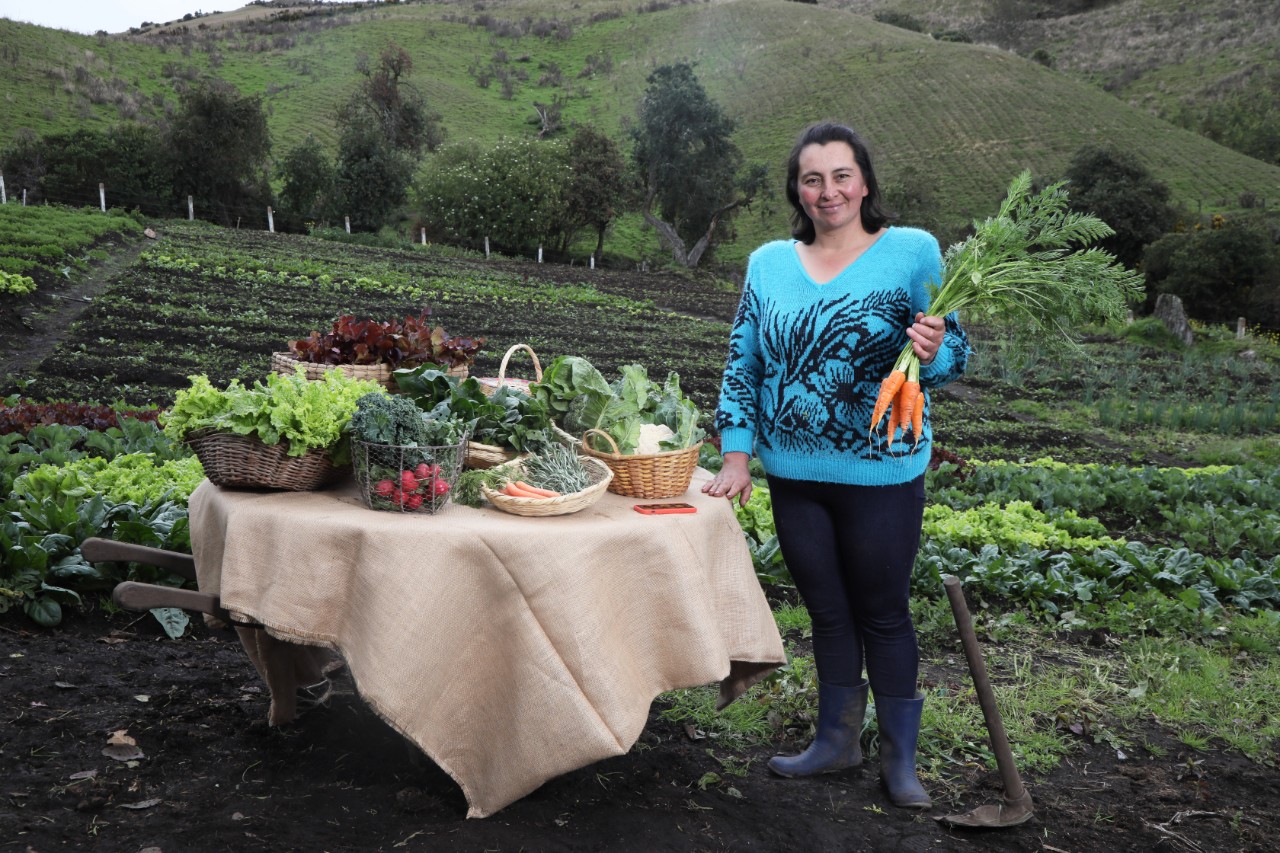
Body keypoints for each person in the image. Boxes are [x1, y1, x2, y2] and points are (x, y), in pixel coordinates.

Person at [702, 121, 969, 810]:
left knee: (882, 612)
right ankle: (836, 739)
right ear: (797, 188)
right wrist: (738, 455)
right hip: (795, 474)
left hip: (881, 471)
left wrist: (936, 349)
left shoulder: (912, 252)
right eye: (813, 178)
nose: (829, 191)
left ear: (866, 182)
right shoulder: (767, 262)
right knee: (826, 612)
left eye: (841, 175)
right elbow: (744, 362)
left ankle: (900, 760)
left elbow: (956, 357)